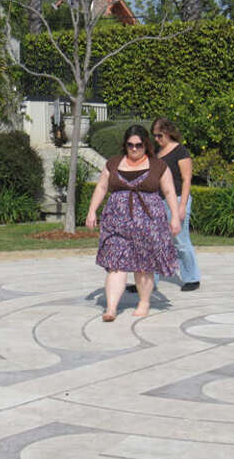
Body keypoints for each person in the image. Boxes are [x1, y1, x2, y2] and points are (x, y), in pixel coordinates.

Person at [86, 125, 181, 321]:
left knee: (143, 266)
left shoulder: (158, 166)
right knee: (115, 264)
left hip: (149, 224)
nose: (135, 149)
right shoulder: (113, 163)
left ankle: (144, 302)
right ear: (125, 145)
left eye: (139, 145)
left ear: (146, 145)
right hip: (116, 224)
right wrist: (91, 211)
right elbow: (102, 187)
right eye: (130, 145)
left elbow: (170, 192)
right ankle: (111, 308)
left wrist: (174, 216)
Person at [152, 117, 201, 291]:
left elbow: (187, 179)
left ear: (167, 132)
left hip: (178, 199)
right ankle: (150, 282)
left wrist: (182, 206)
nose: (157, 139)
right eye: (154, 136)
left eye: (159, 136)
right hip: (159, 200)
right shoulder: (158, 152)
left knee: (180, 241)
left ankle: (192, 278)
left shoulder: (181, 151)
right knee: (155, 241)